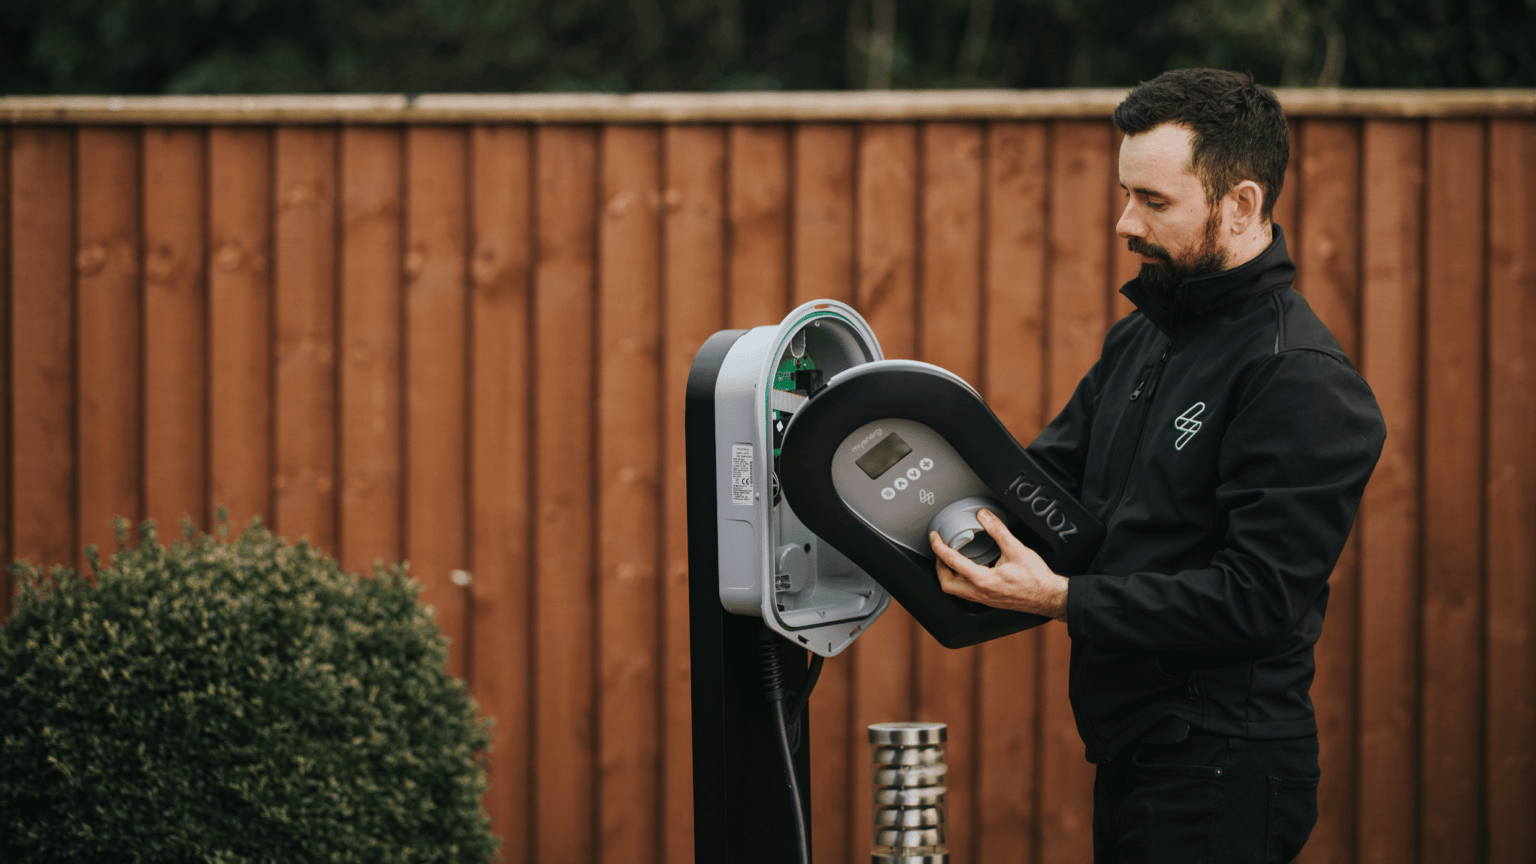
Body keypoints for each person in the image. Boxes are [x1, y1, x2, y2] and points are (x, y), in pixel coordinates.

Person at [929, 69, 1386, 863]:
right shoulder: (1142, 339)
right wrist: (891, 507)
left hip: (1224, 767)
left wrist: (1063, 598)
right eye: (1126, 193)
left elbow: (1258, 600)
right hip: (1134, 750)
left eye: (1153, 201)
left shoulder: (1299, 376)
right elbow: (1044, 487)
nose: (1122, 221)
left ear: (1240, 204)